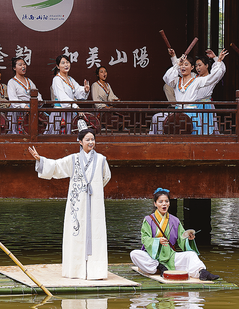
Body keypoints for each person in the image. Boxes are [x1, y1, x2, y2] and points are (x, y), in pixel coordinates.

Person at [27, 124, 111, 280]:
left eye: (93, 139)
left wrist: (95, 189)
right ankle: (76, 271)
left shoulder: (101, 159)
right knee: (76, 232)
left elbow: (106, 177)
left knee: (96, 233)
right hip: (77, 203)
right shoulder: (74, 159)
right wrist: (41, 160)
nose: (91, 142)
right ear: (80, 141)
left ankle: (96, 271)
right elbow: (57, 166)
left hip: (95, 202)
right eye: (87, 140)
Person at [130, 188, 219, 281]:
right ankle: (159, 267)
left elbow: (182, 237)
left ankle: (202, 272)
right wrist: (157, 241)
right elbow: (145, 239)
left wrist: (188, 239)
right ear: (155, 204)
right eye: (160, 201)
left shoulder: (175, 220)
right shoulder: (148, 220)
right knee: (134, 254)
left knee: (191, 255)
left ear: (169, 203)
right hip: (153, 257)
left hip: (170, 256)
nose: (164, 204)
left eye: (166, 201)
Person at [150, 48, 228, 135]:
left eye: (186, 65)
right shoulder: (176, 81)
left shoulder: (197, 81)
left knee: (196, 135)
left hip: (193, 113)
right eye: (182, 65)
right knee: (159, 120)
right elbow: (167, 77)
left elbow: (214, 76)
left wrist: (218, 60)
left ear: (192, 67)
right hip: (178, 112)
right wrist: (176, 62)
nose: (183, 66)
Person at [48, 54, 90, 134]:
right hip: (59, 112)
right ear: (58, 66)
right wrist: (76, 106)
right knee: (58, 135)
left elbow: (77, 90)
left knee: (70, 135)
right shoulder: (57, 79)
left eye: (67, 62)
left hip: (70, 111)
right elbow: (62, 97)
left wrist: (85, 90)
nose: (66, 65)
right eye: (63, 63)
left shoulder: (70, 79)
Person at [7, 57, 43, 134]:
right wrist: (24, 106)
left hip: (31, 109)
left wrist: (39, 100)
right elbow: (13, 99)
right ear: (14, 68)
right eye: (20, 65)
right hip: (19, 111)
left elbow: (37, 93)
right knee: (20, 133)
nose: (23, 66)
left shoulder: (29, 81)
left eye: (24, 64)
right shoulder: (11, 82)